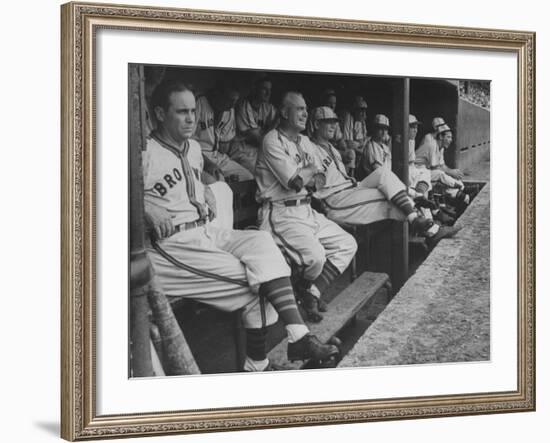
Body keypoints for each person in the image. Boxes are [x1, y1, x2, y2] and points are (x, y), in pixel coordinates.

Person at [143, 81, 339, 371]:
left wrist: (206, 185)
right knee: (260, 284)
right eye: (181, 112)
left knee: (262, 243)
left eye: (193, 111)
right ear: (160, 114)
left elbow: (194, 177)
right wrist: (141, 204)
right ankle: (266, 358)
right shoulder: (143, 151)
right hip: (170, 246)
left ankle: (291, 341)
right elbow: (97, 193)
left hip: (205, 232)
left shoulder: (194, 148)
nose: (190, 119)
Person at [255, 92, 358, 323]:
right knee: (316, 257)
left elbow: (319, 181)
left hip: (306, 209)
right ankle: (302, 292)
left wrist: (307, 174)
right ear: (284, 112)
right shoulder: (272, 140)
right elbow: (294, 182)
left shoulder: (305, 141)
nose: (304, 113)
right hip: (280, 213)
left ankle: (310, 291)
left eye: (305, 108)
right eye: (299, 109)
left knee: (347, 244)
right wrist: (308, 172)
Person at [308, 107, 460, 246]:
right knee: (391, 199)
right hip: (333, 198)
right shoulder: (309, 148)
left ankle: (416, 198)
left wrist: (347, 177)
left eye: (334, 122)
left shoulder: (333, 149)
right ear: (316, 124)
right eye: (327, 122)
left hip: (350, 188)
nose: (333, 125)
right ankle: (429, 228)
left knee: (384, 174)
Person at [193, 84, 254, 181]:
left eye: (235, 101)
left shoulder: (229, 111)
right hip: (197, 157)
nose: (232, 105)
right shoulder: (198, 102)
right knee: (218, 181)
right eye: (229, 100)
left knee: (247, 177)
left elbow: (224, 147)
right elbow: (185, 144)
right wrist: (207, 163)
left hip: (217, 157)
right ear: (217, 95)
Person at [229, 76, 279, 173]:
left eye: (270, 90)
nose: (268, 93)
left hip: (257, 150)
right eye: (264, 89)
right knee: (261, 171)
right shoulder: (244, 106)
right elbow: (260, 140)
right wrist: (275, 123)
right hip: (241, 150)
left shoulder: (268, 108)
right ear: (255, 89)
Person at [415, 123, 470, 210]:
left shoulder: (441, 147)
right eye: (448, 137)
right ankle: (462, 190)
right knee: (441, 175)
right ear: (440, 136)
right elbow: (435, 167)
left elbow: (442, 165)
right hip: (416, 171)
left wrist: (452, 172)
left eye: (451, 137)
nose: (451, 140)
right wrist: (451, 173)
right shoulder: (432, 144)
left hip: (426, 171)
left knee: (447, 176)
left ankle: (460, 195)